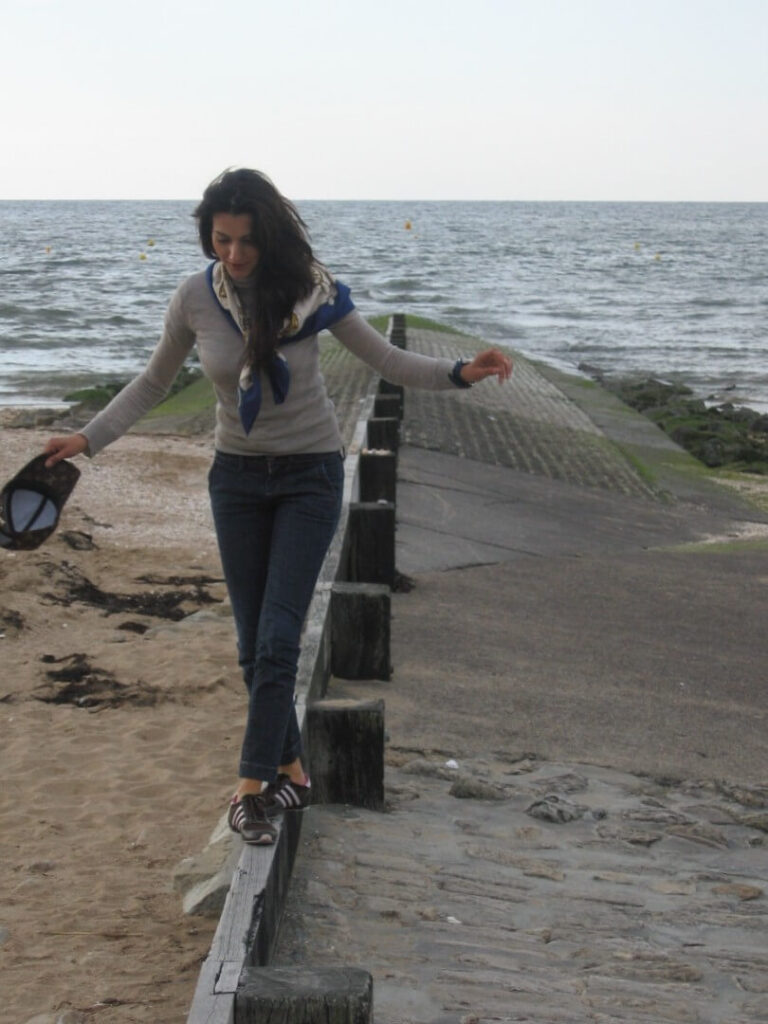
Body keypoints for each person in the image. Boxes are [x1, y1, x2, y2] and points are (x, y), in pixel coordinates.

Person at [44, 168, 513, 846]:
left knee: (276, 641)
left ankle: (250, 792)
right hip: (235, 481)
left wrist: (461, 372)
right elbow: (152, 383)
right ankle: (293, 772)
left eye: (247, 241)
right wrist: (87, 439)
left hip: (308, 479)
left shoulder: (312, 292)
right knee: (251, 649)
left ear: (270, 237)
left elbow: (387, 360)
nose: (234, 254)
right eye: (222, 240)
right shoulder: (194, 298)